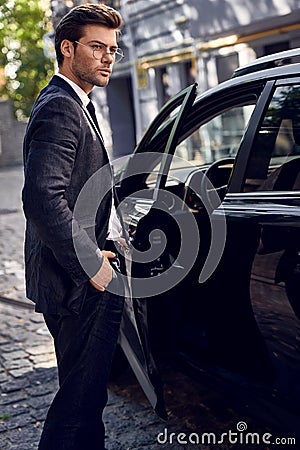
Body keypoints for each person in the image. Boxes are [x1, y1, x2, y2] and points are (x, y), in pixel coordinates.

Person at [22, 4, 126, 449]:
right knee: (78, 406)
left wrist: (110, 233)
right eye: (97, 47)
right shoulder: (62, 107)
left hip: (76, 277)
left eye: (113, 50)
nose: (108, 57)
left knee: (85, 402)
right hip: (78, 284)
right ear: (68, 48)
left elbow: (73, 189)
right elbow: (42, 197)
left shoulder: (74, 102)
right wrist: (93, 265)